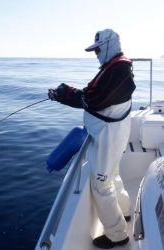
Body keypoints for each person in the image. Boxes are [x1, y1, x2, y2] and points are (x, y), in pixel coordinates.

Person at [48, 29, 136, 249]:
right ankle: (124, 212)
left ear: (108, 45)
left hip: (108, 136)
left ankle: (117, 235)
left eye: (97, 49)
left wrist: (63, 93)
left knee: (101, 184)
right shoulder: (116, 66)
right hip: (113, 133)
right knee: (113, 173)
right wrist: (66, 93)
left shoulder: (117, 69)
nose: (95, 53)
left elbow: (91, 99)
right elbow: (94, 94)